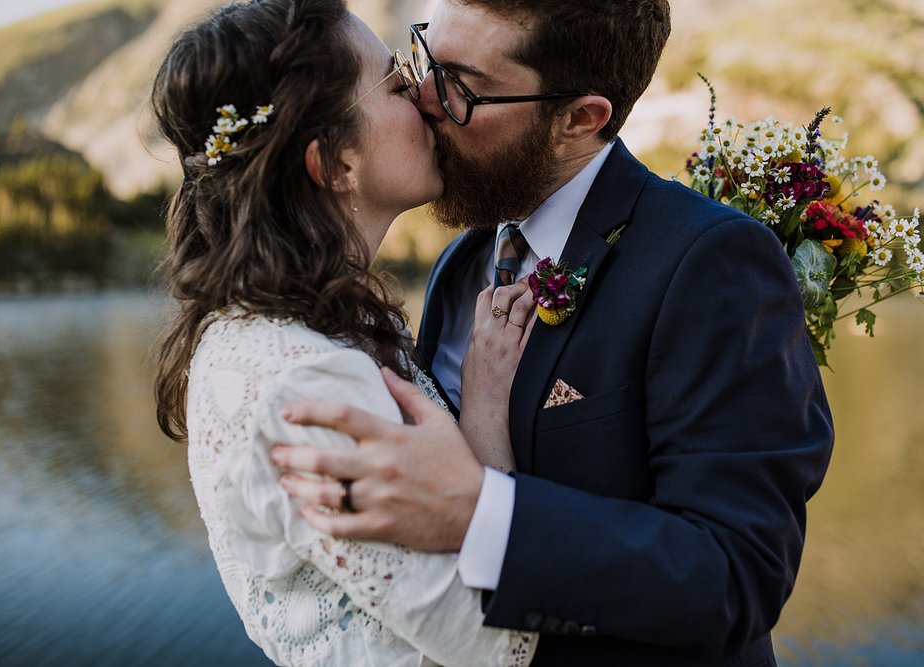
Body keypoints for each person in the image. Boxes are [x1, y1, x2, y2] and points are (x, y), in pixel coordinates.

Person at [270, 0, 836, 665]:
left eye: (461, 85)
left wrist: (481, 513)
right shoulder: (466, 262)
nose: (421, 97)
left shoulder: (710, 259)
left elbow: (737, 571)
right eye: (426, 58)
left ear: (579, 119)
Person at [151, 0, 539, 664]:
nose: (423, 94)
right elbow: (496, 641)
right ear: (333, 164)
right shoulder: (302, 383)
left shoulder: (285, 329)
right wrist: (483, 417)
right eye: (393, 83)